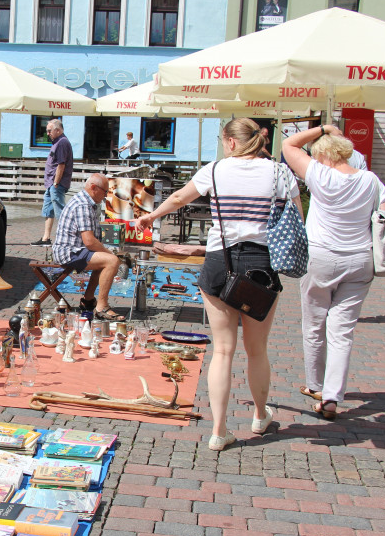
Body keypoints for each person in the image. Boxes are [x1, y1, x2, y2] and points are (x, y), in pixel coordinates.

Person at [131, 118, 301, 451]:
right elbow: (296, 218)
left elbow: (180, 197)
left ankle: (219, 431)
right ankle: (260, 415)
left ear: (231, 142)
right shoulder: (280, 173)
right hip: (261, 267)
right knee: (257, 351)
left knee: (222, 351)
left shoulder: (215, 170)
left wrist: (152, 217)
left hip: (219, 262)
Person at [282, 124, 385, 421]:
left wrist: (321, 127)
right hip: (359, 261)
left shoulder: (321, 175)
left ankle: (315, 385)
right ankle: (332, 396)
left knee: (314, 323)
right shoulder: (371, 180)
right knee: (342, 331)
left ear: (324, 155)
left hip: (321, 257)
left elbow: (289, 146)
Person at [51, 173, 123, 321]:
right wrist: (110, 254)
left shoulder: (86, 202)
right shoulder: (83, 204)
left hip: (75, 249)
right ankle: (102, 307)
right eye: (105, 191)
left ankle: (88, 300)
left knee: (105, 260)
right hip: (68, 252)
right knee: (112, 261)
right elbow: (89, 241)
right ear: (94, 188)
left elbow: (90, 242)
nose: (105, 196)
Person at [32, 118, 73, 246]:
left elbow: (61, 164)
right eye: (47, 131)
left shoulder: (62, 142)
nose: (47, 133)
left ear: (58, 130)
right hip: (51, 184)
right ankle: (46, 239)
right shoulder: (57, 142)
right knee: (48, 211)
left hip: (56, 184)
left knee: (61, 212)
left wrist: (56, 183)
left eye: (49, 131)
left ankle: (65, 240)